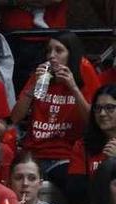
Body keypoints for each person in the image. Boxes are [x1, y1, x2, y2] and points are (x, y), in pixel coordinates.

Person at [12, 32, 97, 195]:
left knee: (76, 187)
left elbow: (93, 120)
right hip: (34, 154)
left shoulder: (83, 72)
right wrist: (33, 85)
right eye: (49, 51)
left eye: (59, 51)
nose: (51, 56)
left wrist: (73, 88)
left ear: (71, 55)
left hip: (66, 156)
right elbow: (16, 117)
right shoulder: (42, 77)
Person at [67, 84, 116, 204]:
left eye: (110, 108)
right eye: (97, 108)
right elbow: (76, 192)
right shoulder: (83, 146)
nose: (102, 113)